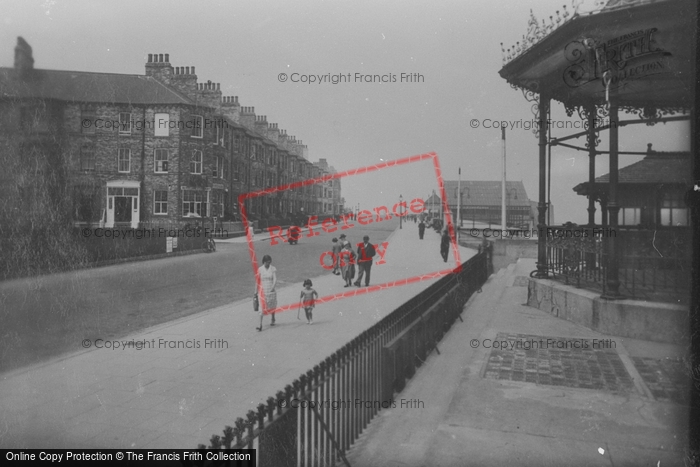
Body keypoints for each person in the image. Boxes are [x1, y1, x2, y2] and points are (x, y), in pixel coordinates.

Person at [256, 254, 277, 331]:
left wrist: (273, 287)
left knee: (272, 305)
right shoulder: (260, 269)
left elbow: (275, 279)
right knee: (261, 307)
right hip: (262, 290)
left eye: (269, 262)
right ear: (263, 262)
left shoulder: (273, 268)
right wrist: (255, 291)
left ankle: (273, 318)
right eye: (267, 262)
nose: (268, 264)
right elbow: (257, 281)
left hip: (271, 289)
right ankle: (260, 324)